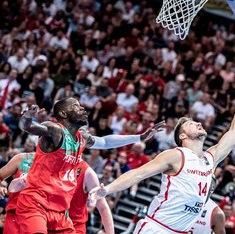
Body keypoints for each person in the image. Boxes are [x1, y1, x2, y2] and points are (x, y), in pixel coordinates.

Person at [89, 69, 235, 233]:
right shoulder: (177, 155)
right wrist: (108, 189)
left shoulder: (211, 158)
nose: (199, 123)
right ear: (183, 135)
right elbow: (138, 174)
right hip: (157, 228)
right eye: (192, 124)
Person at [15, 98, 165, 233]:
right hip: (36, 202)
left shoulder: (82, 138)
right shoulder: (55, 130)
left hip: (59, 208)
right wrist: (27, 117)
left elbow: (106, 142)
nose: (83, 109)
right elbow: (27, 127)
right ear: (64, 114)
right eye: (76, 106)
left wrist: (140, 137)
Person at [6, 156, 115, 234]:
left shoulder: (86, 172)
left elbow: (102, 207)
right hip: (50, 220)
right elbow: (12, 188)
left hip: (74, 224)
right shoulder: (47, 161)